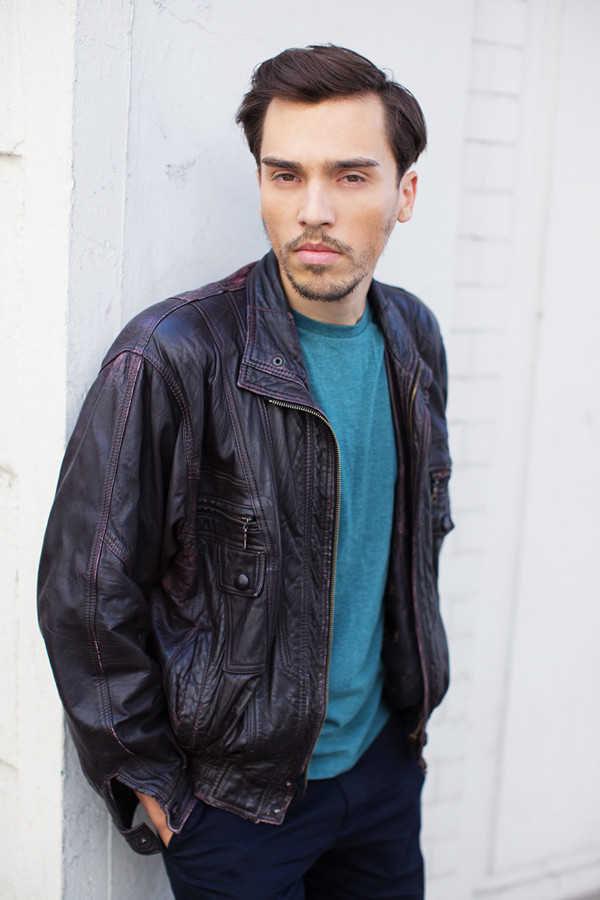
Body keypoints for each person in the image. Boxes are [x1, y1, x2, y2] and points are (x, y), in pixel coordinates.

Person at [38, 44, 453, 899]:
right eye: (284, 174)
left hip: (381, 773)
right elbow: (85, 589)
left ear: (404, 194)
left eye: (350, 176)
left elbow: (411, 543)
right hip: (236, 810)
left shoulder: (414, 339)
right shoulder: (173, 355)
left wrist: (406, 729)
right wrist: (149, 779)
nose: (312, 210)